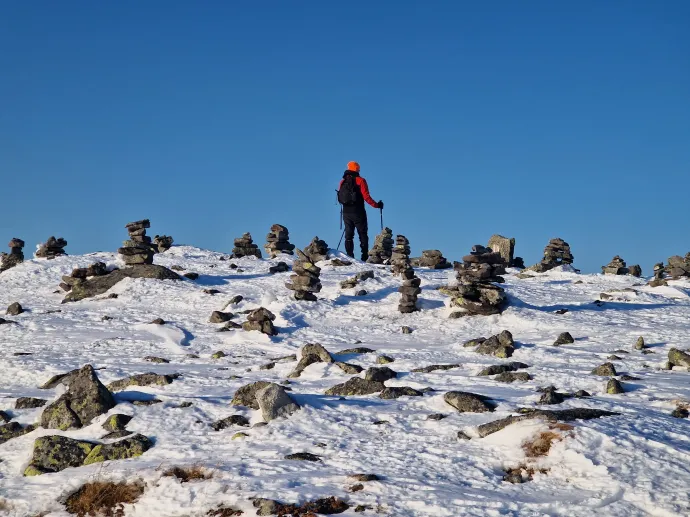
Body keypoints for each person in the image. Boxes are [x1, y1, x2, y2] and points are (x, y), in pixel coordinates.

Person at [337, 161, 383, 261]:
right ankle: (364, 257)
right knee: (362, 233)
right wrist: (377, 205)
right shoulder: (361, 180)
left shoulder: (342, 182)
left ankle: (350, 257)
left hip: (346, 212)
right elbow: (366, 197)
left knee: (348, 236)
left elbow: (340, 197)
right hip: (358, 212)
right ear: (357, 169)